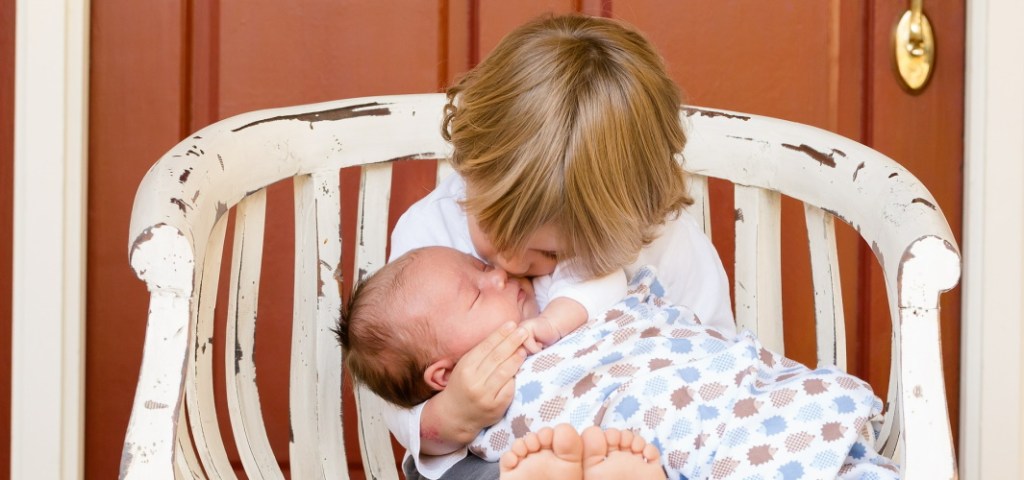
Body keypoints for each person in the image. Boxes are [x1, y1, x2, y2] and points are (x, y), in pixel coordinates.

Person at [385, 13, 734, 480]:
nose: (508, 266)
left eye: (550, 255)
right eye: (491, 228)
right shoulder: (428, 233)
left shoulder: (665, 242)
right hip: (496, 457)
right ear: (470, 168)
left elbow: (715, 362)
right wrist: (449, 417)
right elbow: (397, 387)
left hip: (639, 445)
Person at [338, 246, 898, 479]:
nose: (499, 274)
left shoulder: (556, 293)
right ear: (442, 372)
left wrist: (555, 321)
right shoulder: (482, 391)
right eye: (477, 293)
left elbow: (614, 287)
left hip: (718, 391)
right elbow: (430, 454)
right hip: (629, 428)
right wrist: (456, 408)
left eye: (480, 266)